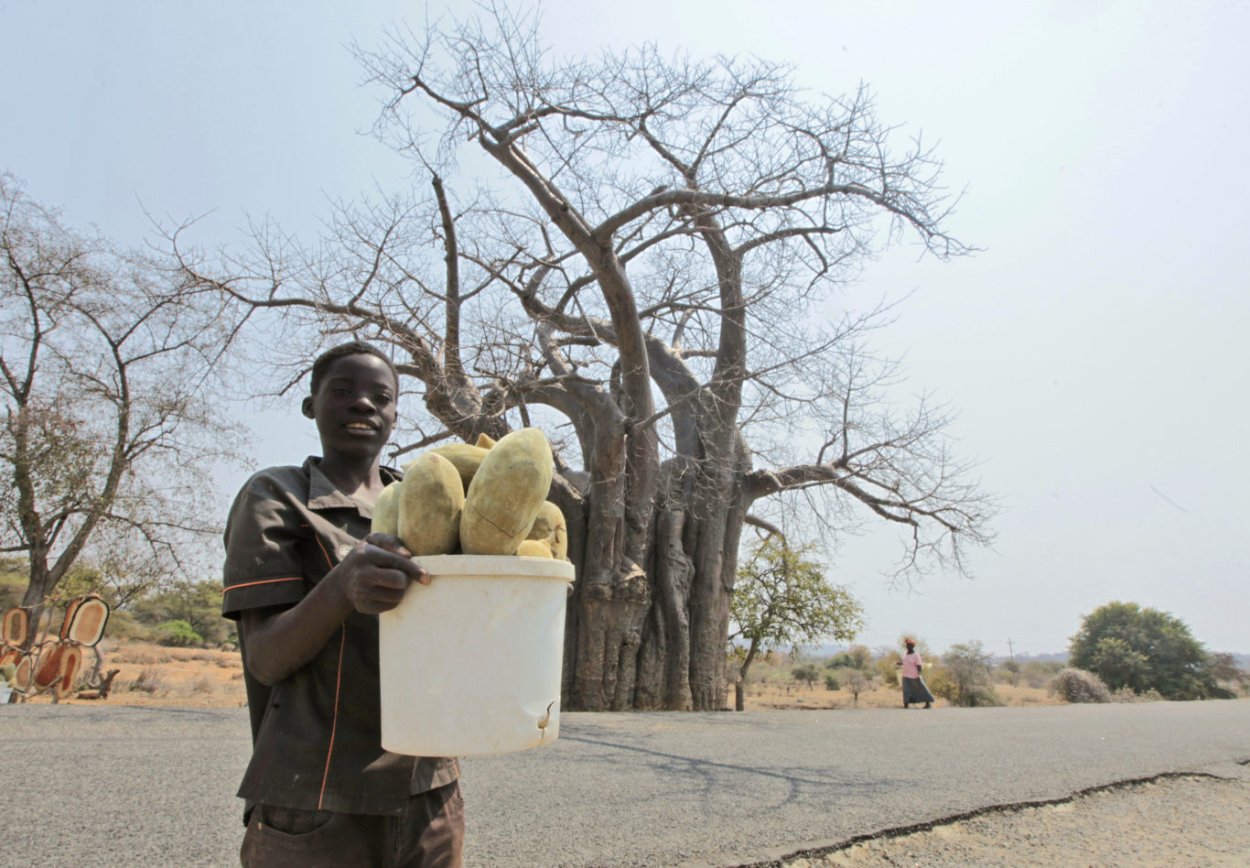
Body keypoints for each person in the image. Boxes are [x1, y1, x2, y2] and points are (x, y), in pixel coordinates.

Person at [221, 341, 463, 867]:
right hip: (315, 797)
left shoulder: (433, 498)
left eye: (381, 396)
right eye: (343, 391)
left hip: (430, 793)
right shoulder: (276, 496)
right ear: (311, 406)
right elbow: (265, 658)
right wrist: (341, 587)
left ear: (396, 416)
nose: (363, 405)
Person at [899, 637, 934, 709]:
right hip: (905, 675)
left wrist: (919, 675)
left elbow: (919, 665)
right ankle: (906, 704)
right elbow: (904, 662)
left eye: (909, 645)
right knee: (906, 690)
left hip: (914, 676)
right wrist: (899, 663)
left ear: (913, 646)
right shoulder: (905, 653)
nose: (908, 647)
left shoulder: (916, 655)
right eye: (907, 645)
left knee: (921, 689)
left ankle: (928, 703)